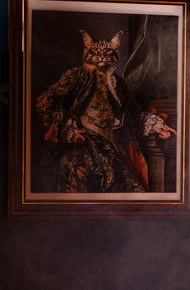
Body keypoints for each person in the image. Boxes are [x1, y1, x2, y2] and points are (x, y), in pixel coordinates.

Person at [35, 29, 176, 193]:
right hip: (84, 145)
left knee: (130, 192)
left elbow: (133, 113)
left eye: (107, 52)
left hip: (114, 145)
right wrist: (69, 127)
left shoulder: (119, 84)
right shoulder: (77, 75)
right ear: (87, 52)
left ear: (114, 54)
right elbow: (44, 102)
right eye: (96, 51)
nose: (102, 56)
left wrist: (154, 124)